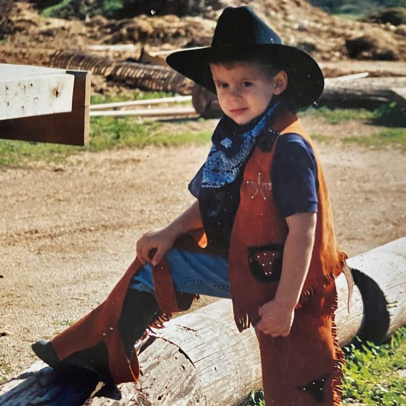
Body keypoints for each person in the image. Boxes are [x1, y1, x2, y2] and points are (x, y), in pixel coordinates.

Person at [32, 6, 349, 405]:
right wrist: (168, 232)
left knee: (297, 383)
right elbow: (214, 201)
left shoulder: (288, 147)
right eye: (222, 85)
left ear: (279, 83)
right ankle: (99, 350)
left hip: (290, 280)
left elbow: (305, 231)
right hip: (249, 264)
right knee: (156, 260)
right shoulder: (238, 138)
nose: (232, 95)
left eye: (245, 83)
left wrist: (286, 304)